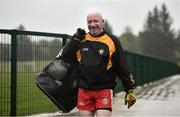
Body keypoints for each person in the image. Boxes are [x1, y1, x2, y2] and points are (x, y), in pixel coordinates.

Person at [60, 11, 136, 116]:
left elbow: (121, 66)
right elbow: (65, 57)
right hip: (84, 91)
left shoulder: (112, 40)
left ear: (102, 22)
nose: (92, 24)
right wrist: (75, 40)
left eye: (95, 21)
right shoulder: (81, 40)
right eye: (89, 22)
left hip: (103, 90)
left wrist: (129, 89)